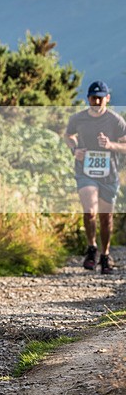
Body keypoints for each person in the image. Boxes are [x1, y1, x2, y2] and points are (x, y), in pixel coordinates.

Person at [65, 81, 126, 274]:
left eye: (100, 98)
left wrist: (110, 145)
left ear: (107, 98)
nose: (97, 101)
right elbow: (68, 136)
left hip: (109, 175)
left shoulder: (116, 121)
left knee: (106, 218)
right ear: (88, 99)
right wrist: (75, 149)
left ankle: (105, 255)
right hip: (85, 172)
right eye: (93, 98)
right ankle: (91, 248)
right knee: (90, 211)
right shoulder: (78, 118)